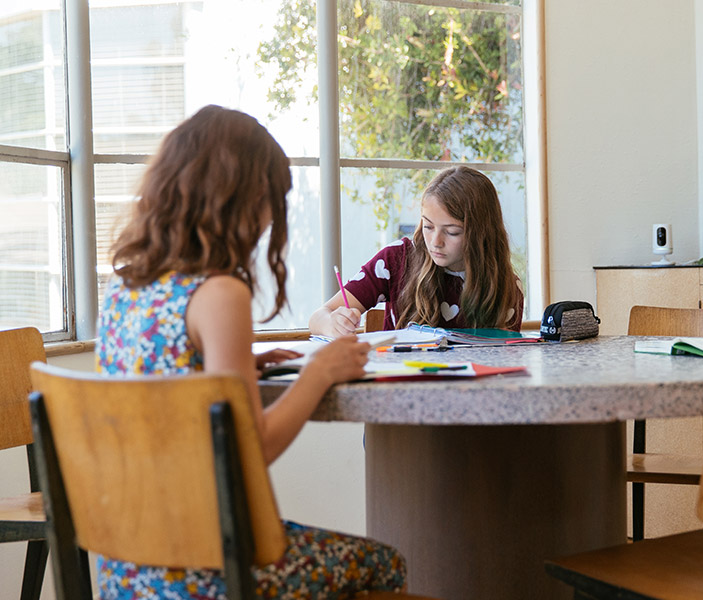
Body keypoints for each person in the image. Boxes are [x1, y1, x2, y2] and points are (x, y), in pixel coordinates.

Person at [95, 105, 406, 598]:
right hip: (208, 568)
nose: (267, 223)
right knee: (385, 563)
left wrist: (231, 364)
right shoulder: (219, 293)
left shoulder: (125, 287)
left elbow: (169, 381)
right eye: (269, 203)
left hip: (127, 563)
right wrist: (318, 372)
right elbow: (250, 450)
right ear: (240, 199)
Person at [309, 165, 524, 336]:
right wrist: (332, 324)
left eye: (451, 232)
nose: (435, 242)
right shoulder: (396, 260)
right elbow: (319, 317)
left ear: (481, 234)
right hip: (397, 386)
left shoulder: (506, 286)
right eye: (428, 226)